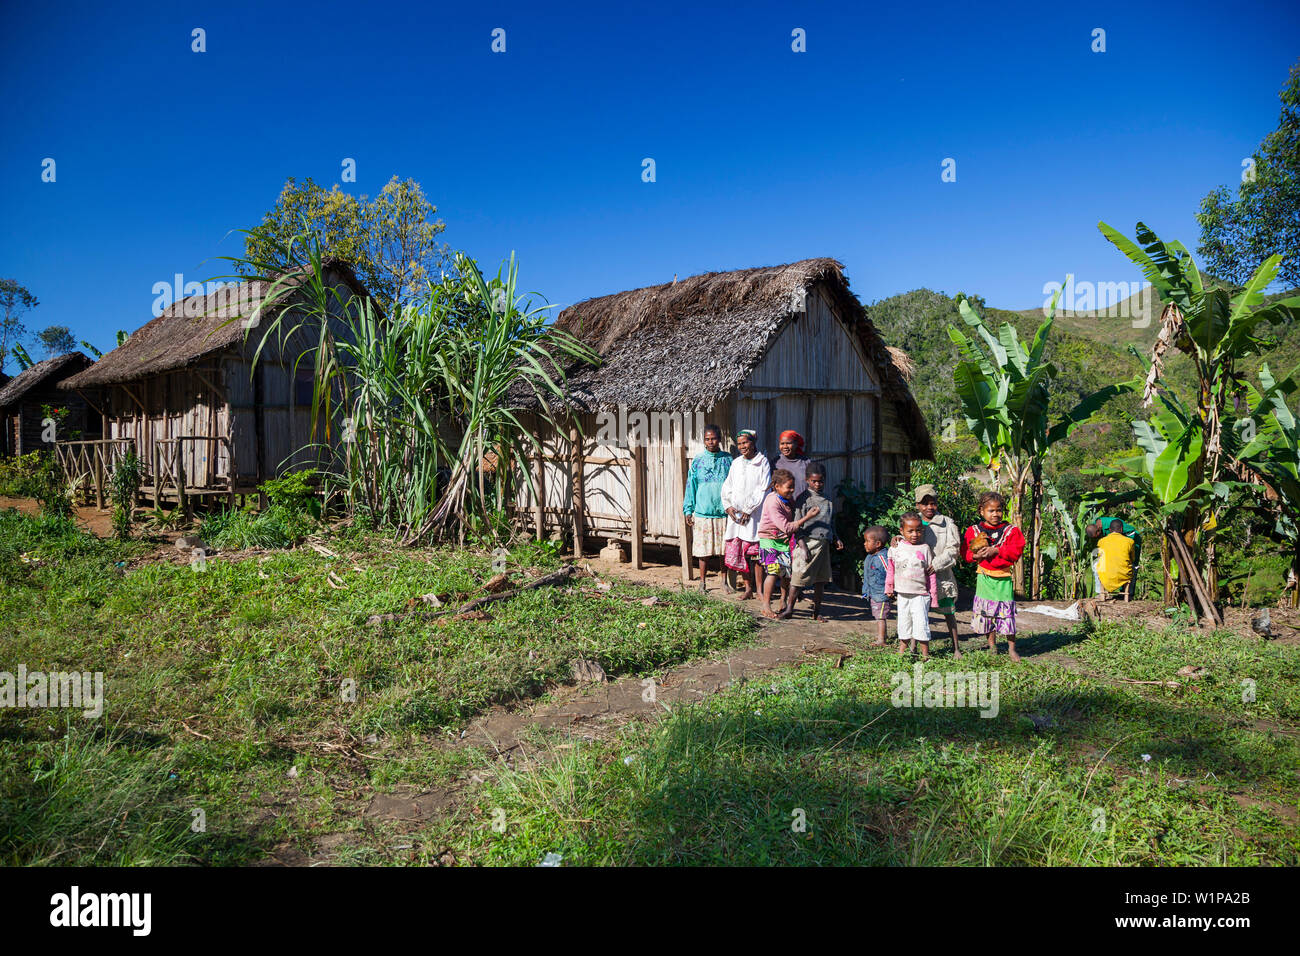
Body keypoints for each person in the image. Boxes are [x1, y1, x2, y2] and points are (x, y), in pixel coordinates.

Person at [962, 491, 1026, 660]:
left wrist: (996, 549)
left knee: (1006, 613)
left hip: (1003, 578)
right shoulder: (974, 531)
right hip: (984, 577)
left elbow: (1016, 550)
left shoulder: (1011, 531)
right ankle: (992, 646)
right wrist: (976, 556)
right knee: (987, 613)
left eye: (999, 510)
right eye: (991, 510)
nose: (995, 514)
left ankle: (1012, 648)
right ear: (981, 511)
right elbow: (966, 552)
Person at [757, 468, 820, 619]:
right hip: (769, 540)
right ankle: (766, 605)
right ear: (777, 486)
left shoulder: (787, 499)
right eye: (788, 487)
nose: (791, 490)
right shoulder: (773, 501)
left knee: (785, 573)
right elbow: (786, 526)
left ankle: (783, 601)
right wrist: (807, 517)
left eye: (793, 487)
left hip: (782, 541)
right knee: (772, 571)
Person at [682, 424, 733, 593]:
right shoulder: (698, 461)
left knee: (723, 550)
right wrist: (688, 509)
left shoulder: (728, 460)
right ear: (704, 440)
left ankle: (723, 581)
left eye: (714, 438)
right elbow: (691, 485)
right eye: (707, 439)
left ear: (720, 439)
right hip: (703, 511)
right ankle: (702, 583)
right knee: (703, 551)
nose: (710, 442)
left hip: (723, 512)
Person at [721, 429, 771, 599]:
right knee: (741, 554)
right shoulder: (736, 463)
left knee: (756, 555)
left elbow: (763, 489)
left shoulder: (762, 462)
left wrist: (749, 510)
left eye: (745, 443)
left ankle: (759, 590)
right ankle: (748, 589)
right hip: (736, 517)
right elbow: (727, 486)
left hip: (754, 516)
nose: (742, 446)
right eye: (740, 444)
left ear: (753, 442)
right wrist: (728, 506)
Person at [789, 463, 843, 620]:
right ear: (807, 480)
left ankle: (816, 612)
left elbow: (830, 522)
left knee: (821, 580)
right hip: (806, 543)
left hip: (824, 543)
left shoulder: (828, 500)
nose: (817, 484)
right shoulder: (803, 499)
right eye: (814, 481)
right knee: (798, 578)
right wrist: (802, 546)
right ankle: (789, 609)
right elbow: (797, 524)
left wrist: (836, 537)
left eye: (820, 481)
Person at [915, 484, 963, 657]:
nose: (929, 507)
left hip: (942, 577)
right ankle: (914, 648)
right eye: (924, 503)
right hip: (919, 578)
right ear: (917, 505)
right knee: (918, 613)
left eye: (932, 503)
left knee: (948, 611)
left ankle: (956, 647)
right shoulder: (913, 522)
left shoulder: (947, 523)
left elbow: (953, 548)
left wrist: (936, 564)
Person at [886, 512, 938, 658]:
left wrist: (933, 595)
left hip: (920, 595)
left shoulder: (925, 549)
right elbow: (891, 569)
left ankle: (925, 655)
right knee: (903, 623)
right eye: (910, 531)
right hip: (902, 594)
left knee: (921, 624)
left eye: (918, 530)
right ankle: (902, 652)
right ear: (901, 531)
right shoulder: (896, 548)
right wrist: (889, 587)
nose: (915, 534)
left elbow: (931, 574)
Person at [1085, 514, 1140, 597]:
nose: (1097, 539)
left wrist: (1122, 546)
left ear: (1099, 530)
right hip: (1115, 549)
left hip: (1129, 545)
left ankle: (1127, 593)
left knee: (1133, 566)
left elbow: (1132, 531)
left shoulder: (1115, 524)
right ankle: (1101, 592)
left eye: (1097, 537)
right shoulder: (1095, 526)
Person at [861, 526, 891, 646]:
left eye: (867, 541)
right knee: (879, 615)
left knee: (880, 617)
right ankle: (883, 635)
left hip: (881, 593)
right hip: (873, 592)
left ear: (878, 544)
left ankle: (881, 640)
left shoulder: (882, 558)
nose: (864, 544)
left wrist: (890, 589)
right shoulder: (871, 556)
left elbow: (890, 573)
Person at [773, 430, 811, 499]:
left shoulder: (806, 462)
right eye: (782, 443)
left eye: (788, 443)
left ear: (796, 444)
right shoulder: (775, 463)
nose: (785, 446)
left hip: (803, 505)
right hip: (782, 505)